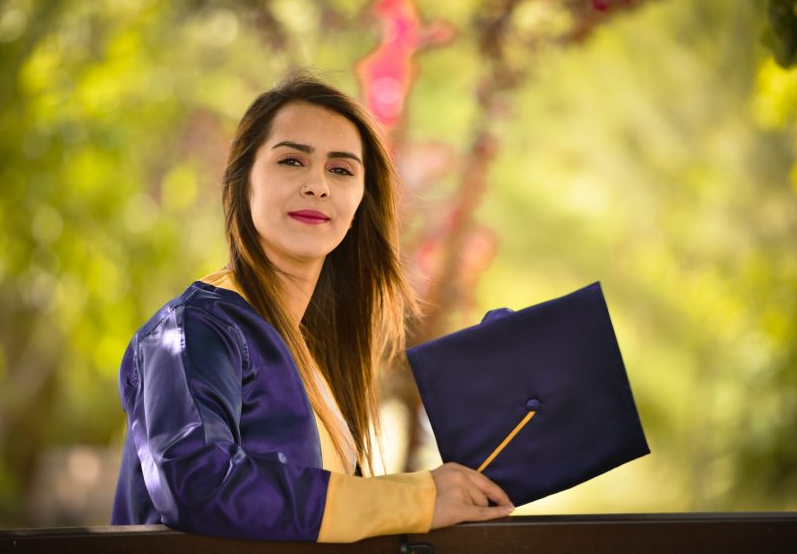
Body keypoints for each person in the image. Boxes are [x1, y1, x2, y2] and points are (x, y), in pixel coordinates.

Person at [110, 72, 513, 542]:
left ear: (362, 199)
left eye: (341, 170)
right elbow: (197, 485)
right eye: (291, 161)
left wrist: (452, 486)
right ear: (244, 182)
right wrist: (415, 499)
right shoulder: (197, 328)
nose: (317, 185)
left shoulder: (314, 351)